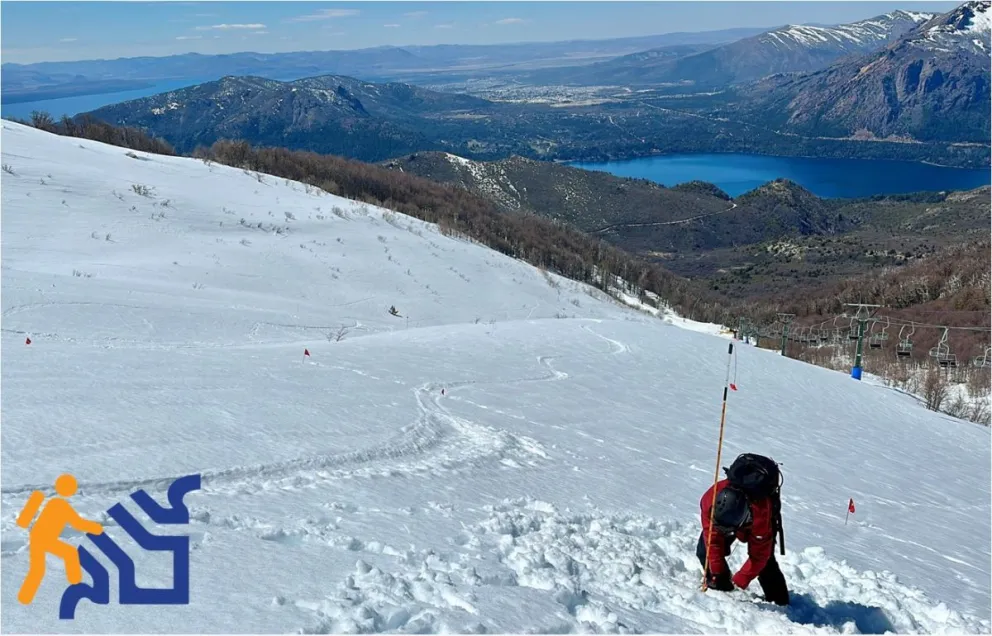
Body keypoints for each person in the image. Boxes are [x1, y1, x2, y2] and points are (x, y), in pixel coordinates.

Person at [697, 469, 789, 605]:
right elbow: (712, 540)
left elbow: (759, 556)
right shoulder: (709, 501)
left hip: (759, 520)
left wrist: (738, 582)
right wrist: (718, 573)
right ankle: (718, 582)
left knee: (766, 562)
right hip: (727, 518)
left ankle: (780, 603)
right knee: (704, 550)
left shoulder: (761, 516)